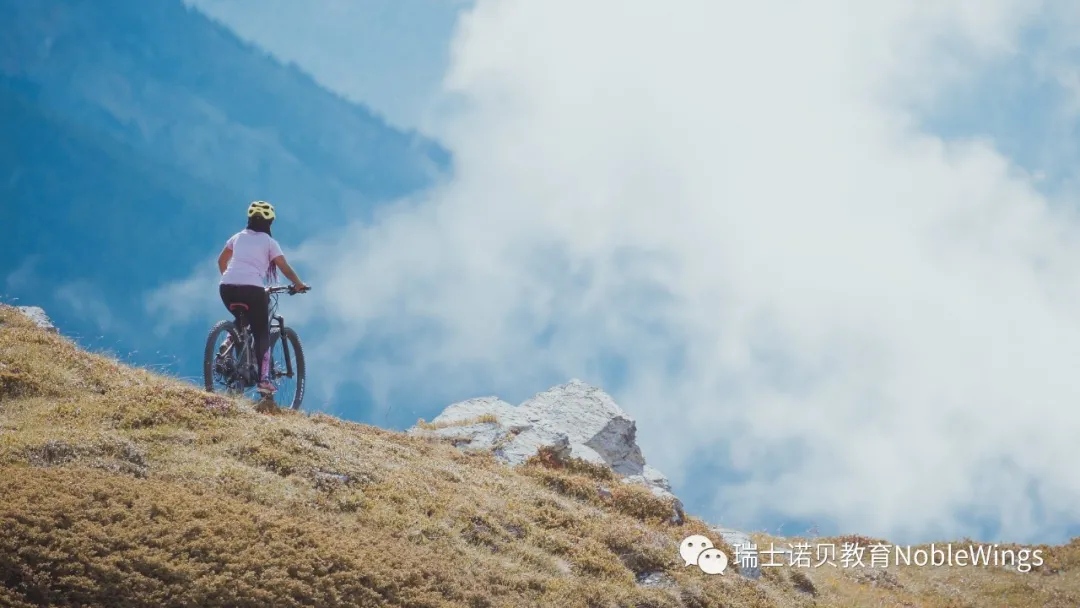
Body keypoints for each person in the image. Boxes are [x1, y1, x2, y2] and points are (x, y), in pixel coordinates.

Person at [217, 200, 308, 395]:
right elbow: (284, 267)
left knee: (242, 318)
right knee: (261, 333)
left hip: (226, 288)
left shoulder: (237, 237)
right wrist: (298, 284)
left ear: (250, 219)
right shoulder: (269, 242)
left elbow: (222, 261)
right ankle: (264, 381)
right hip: (253, 290)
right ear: (270, 222)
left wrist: (232, 278)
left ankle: (228, 341)